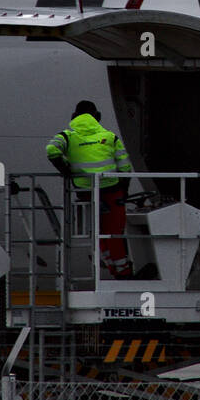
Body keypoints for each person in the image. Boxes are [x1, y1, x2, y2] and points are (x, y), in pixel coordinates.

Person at [47, 100, 135, 279]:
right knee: (115, 233)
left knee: (98, 232)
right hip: (111, 191)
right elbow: (125, 167)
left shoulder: (67, 136)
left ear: (74, 117)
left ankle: (111, 266)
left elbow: (51, 150)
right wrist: (124, 191)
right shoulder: (110, 136)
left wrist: (66, 171)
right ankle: (123, 272)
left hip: (85, 192)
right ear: (97, 117)